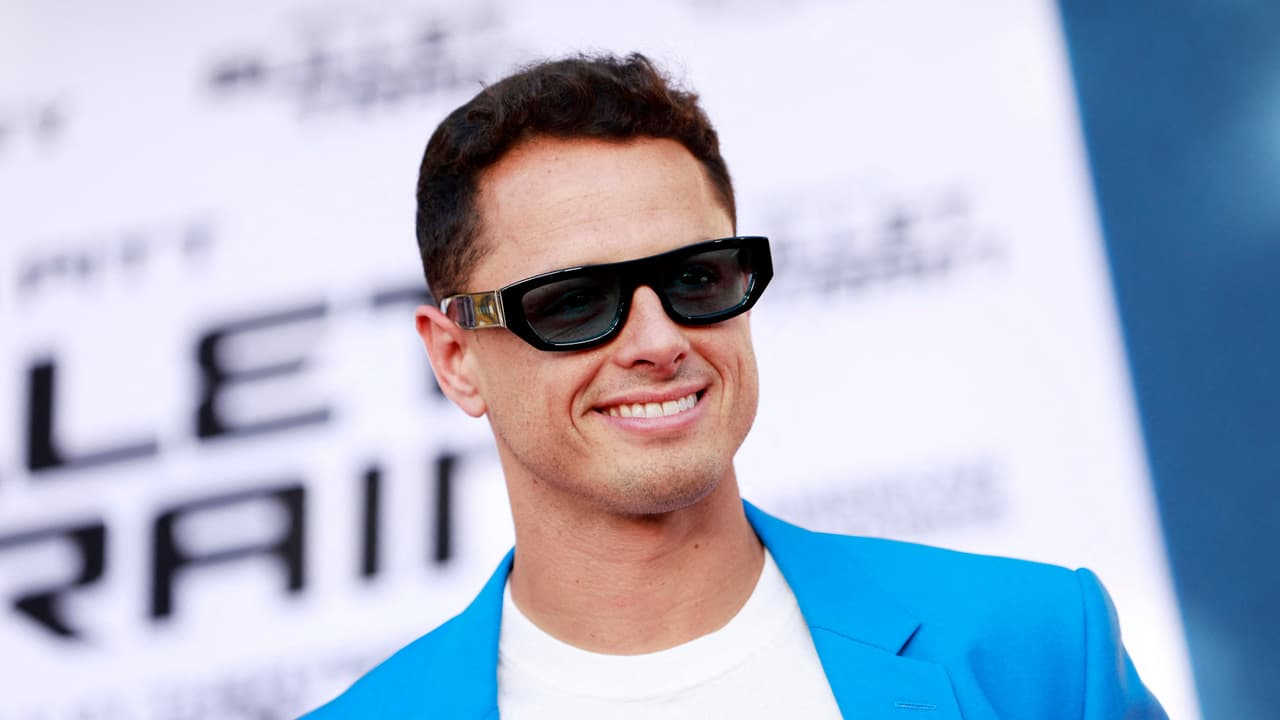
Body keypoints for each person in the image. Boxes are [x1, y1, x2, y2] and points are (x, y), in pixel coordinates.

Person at [306, 52, 1166, 719]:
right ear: (455, 359)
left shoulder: (1039, 644)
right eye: (572, 303)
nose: (658, 342)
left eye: (697, 279)